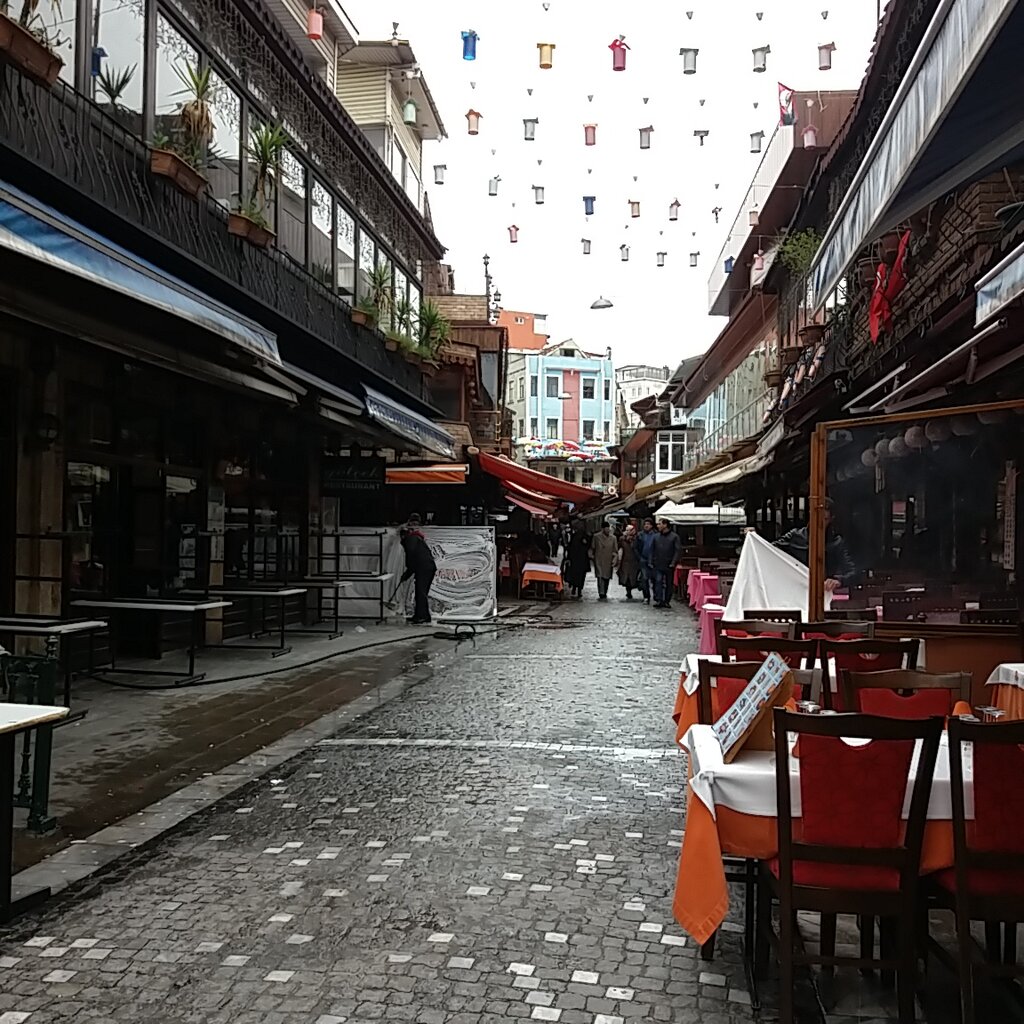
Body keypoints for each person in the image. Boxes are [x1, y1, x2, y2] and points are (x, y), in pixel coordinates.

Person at [774, 497, 858, 592]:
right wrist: (755, 539)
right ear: (811, 515)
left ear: (831, 519)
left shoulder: (837, 542)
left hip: (822, 593)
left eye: (824, 519)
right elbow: (769, 550)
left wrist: (838, 580)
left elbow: (852, 572)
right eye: (817, 518)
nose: (819, 523)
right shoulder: (795, 536)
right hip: (794, 590)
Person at [400, 513, 436, 624]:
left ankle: (423, 617)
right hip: (426, 567)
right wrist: (407, 573)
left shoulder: (410, 541)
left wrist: (406, 575)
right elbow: (413, 562)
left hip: (424, 568)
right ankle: (420, 615)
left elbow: (411, 560)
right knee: (420, 592)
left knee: (421, 592)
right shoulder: (415, 539)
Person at [649, 518, 682, 608]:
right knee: (658, 581)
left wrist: (673, 562)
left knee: (669, 583)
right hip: (658, 563)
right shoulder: (656, 537)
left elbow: (677, 551)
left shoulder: (674, 537)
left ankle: (667, 600)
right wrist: (651, 561)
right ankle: (659, 599)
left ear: (665, 525)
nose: (658, 526)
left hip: (669, 564)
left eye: (660, 524)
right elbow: (652, 549)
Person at [590, 522, 618, 601]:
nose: (608, 529)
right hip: (599, 559)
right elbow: (592, 547)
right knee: (600, 576)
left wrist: (614, 559)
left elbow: (615, 550)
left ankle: (605, 591)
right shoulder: (596, 537)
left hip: (608, 560)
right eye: (606, 528)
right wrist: (592, 556)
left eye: (608, 528)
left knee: (607, 577)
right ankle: (601, 593)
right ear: (602, 529)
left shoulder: (613, 538)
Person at [563, 520, 591, 598]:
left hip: (576, 559)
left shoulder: (575, 536)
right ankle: (578, 589)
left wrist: (568, 558)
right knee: (580, 576)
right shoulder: (582, 536)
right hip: (581, 560)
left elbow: (570, 548)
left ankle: (576, 588)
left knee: (576, 575)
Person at [634, 518, 657, 603]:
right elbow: (635, 547)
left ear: (651, 525)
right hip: (643, 559)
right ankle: (646, 596)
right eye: (645, 524)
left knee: (655, 579)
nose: (646, 526)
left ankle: (656, 596)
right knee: (644, 579)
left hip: (654, 561)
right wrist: (639, 558)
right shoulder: (640, 535)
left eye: (648, 524)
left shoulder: (656, 535)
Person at [617, 524, 640, 600]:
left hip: (635, 561)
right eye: (626, 530)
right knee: (627, 578)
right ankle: (628, 592)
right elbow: (617, 547)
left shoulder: (637, 539)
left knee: (635, 576)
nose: (627, 532)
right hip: (625, 561)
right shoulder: (622, 539)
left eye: (629, 530)